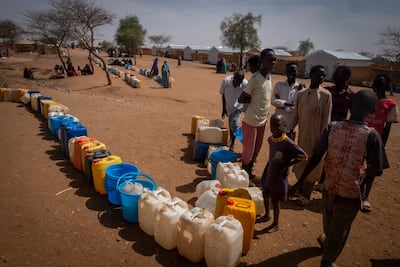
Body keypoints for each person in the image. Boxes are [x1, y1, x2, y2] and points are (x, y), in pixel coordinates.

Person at [290, 89, 387, 267]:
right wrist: (362, 171)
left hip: (329, 186)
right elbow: (378, 169)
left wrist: (299, 181)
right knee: (340, 229)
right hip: (350, 192)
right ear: (372, 111)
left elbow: (316, 156)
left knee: (330, 223)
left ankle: (327, 253)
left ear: (349, 106)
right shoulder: (372, 135)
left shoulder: (332, 127)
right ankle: (327, 261)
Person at [288, 65, 332, 205]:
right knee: (301, 162)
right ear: (311, 74)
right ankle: (301, 190)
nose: (321, 78)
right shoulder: (302, 93)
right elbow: (295, 114)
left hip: (317, 138)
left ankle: (306, 196)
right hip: (303, 136)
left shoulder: (325, 95)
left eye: (323, 76)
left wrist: (323, 141)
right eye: (318, 75)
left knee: (314, 166)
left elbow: (326, 120)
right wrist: (289, 130)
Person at [257, 114, 307, 232]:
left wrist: (287, 165)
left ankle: (276, 223)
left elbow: (303, 156)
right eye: (272, 125)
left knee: (275, 200)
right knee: (265, 193)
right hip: (270, 171)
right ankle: (267, 215)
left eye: (277, 125)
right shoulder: (271, 139)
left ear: (285, 126)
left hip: (279, 175)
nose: (273, 128)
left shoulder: (288, 143)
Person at [361, 74, 399, 212]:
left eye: (381, 83)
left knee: (370, 171)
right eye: (376, 82)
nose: (378, 85)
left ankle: (364, 198)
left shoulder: (390, 104)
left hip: (374, 142)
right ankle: (354, 194)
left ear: (387, 85)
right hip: (360, 139)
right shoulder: (367, 99)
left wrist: (381, 147)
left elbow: (387, 128)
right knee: (357, 169)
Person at [238, 48, 277, 180]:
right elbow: (242, 98)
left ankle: (249, 174)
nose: (273, 62)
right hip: (251, 121)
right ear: (262, 61)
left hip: (262, 121)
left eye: (275, 60)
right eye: (270, 60)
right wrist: (251, 98)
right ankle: (243, 177)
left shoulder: (269, 78)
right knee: (248, 153)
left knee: (256, 151)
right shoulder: (255, 78)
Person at [317, 65, 353, 189]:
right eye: (334, 74)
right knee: (319, 153)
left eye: (338, 75)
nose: (333, 77)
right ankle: (319, 179)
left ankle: (324, 181)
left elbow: (353, 115)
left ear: (346, 77)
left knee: (332, 156)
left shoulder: (350, 95)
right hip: (323, 128)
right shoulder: (327, 91)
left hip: (339, 130)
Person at [271, 62, 305, 140]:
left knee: (289, 148)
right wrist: (287, 104)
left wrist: (281, 104)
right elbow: (273, 101)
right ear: (285, 72)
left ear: (298, 72)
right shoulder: (279, 85)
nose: (291, 73)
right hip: (278, 125)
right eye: (288, 71)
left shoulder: (300, 89)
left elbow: (299, 106)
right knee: (277, 148)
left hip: (291, 125)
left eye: (293, 71)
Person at [220, 69, 248, 150]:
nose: (237, 84)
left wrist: (245, 108)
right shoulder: (226, 81)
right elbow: (223, 95)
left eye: (240, 82)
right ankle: (231, 139)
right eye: (236, 81)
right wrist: (224, 109)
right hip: (228, 106)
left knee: (235, 125)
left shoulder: (245, 84)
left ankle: (239, 142)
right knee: (231, 125)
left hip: (238, 107)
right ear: (233, 78)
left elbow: (247, 96)